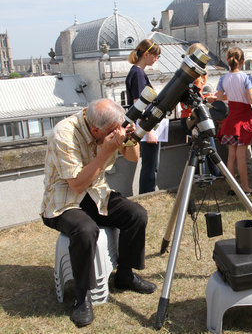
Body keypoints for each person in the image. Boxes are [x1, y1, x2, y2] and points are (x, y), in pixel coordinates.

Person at [41, 99, 157, 328]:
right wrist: (105, 152)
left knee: (136, 214)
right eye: (113, 130)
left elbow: (134, 158)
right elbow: (76, 184)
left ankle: (125, 274)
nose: (117, 132)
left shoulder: (108, 125)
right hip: (63, 200)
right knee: (85, 230)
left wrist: (131, 138)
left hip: (96, 193)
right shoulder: (63, 134)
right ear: (95, 130)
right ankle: (82, 297)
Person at [125, 38, 168, 194]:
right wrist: (148, 131)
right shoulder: (138, 74)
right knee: (150, 165)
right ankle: (147, 193)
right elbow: (139, 104)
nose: (156, 59)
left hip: (143, 126)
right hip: (145, 127)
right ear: (147, 54)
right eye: (155, 56)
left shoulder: (136, 72)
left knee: (150, 164)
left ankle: (147, 192)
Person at [216, 47, 252, 196]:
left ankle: (232, 187)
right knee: (242, 156)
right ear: (242, 61)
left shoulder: (223, 78)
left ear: (228, 60)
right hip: (243, 119)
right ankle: (245, 187)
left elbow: (220, 99)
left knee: (231, 156)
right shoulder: (246, 78)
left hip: (230, 119)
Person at [180, 42, 222, 177]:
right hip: (193, 118)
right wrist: (205, 99)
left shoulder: (189, 72)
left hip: (192, 116)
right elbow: (191, 98)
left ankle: (210, 174)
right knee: (208, 148)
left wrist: (204, 98)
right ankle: (215, 173)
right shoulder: (194, 76)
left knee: (203, 148)